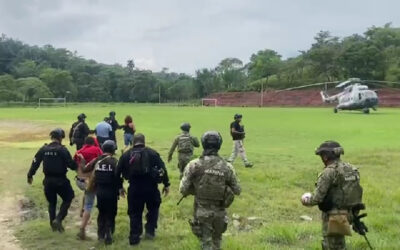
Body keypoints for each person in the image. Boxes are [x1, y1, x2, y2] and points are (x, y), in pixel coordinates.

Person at [180, 131, 241, 250]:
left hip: (201, 212)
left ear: (203, 144)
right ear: (219, 145)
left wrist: (195, 188)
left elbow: (182, 189)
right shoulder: (227, 167)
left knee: (205, 243)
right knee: (217, 241)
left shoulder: (194, 165)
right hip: (219, 213)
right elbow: (237, 190)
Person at [301, 141, 364, 250]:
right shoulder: (351, 169)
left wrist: (305, 199)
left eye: (321, 156)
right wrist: (354, 216)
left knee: (331, 246)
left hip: (333, 218)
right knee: (339, 244)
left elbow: (317, 198)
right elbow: (356, 193)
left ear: (325, 157)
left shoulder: (328, 172)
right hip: (348, 215)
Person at [116, 133, 170, 246]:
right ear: (144, 142)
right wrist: (166, 184)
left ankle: (135, 236)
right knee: (153, 209)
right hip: (151, 187)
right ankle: (150, 230)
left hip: (134, 188)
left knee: (135, 212)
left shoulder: (126, 155)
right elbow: (162, 168)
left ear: (133, 142)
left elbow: (117, 172)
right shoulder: (152, 153)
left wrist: (120, 187)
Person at [27, 128, 77, 232]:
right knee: (68, 197)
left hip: (48, 181)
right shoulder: (62, 150)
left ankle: (53, 226)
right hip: (61, 180)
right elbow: (71, 165)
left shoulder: (44, 149)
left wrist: (30, 175)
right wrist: (78, 163)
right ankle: (58, 219)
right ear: (60, 138)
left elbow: (35, 162)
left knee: (52, 203)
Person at [89, 140, 123, 245]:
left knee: (102, 213)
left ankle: (100, 235)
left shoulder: (97, 160)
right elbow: (118, 177)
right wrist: (120, 188)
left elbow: (87, 169)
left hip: (100, 192)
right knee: (111, 213)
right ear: (113, 150)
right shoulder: (115, 162)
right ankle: (109, 234)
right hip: (111, 192)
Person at [74, 136, 103, 240]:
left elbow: (74, 165)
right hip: (90, 182)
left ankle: (82, 211)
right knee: (89, 204)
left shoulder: (79, 151)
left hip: (79, 181)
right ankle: (82, 229)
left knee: (86, 194)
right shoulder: (97, 150)